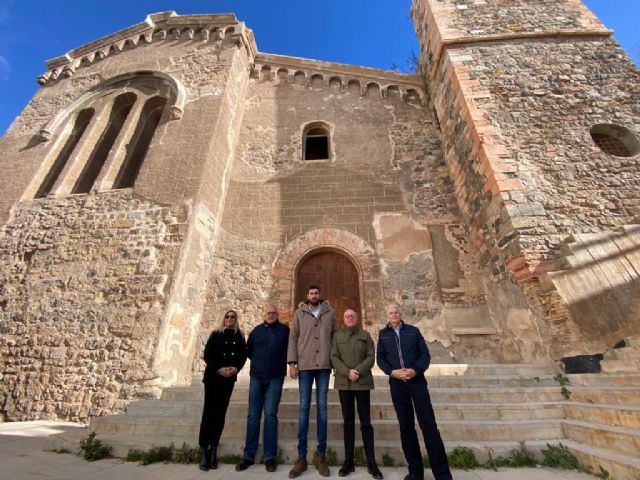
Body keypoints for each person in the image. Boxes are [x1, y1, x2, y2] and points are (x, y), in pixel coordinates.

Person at [376, 304, 453, 480]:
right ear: (387, 316)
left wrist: (415, 370)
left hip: (417, 383)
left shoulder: (413, 331)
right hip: (397, 385)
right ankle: (415, 472)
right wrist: (392, 372)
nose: (394, 315)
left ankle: (442, 474)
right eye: (390, 313)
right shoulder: (383, 334)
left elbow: (425, 355)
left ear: (400, 314)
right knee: (406, 427)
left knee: (429, 426)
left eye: (396, 312)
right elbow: (380, 358)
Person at [287, 285, 337, 478]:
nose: (314, 296)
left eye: (317, 293)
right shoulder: (299, 313)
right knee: (304, 408)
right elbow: (293, 336)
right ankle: (301, 457)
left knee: (323, 407)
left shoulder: (329, 312)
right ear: (307, 296)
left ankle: (321, 456)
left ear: (320, 295)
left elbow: (334, 336)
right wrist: (292, 363)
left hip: (324, 365)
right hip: (305, 366)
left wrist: (334, 361)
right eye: (311, 293)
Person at [330, 309, 384, 480]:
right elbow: (334, 356)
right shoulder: (337, 336)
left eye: (352, 316)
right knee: (348, 423)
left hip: (362, 384)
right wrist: (347, 372)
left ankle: (371, 462)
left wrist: (358, 371)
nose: (350, 318)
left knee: (366, 423)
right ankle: (348, 461)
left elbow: (370, 356)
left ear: (357, 318)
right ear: (344, 319)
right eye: (347, 316)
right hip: (344, 384)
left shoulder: (365, 335)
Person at [236, 305, 290, 473]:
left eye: (273, 313)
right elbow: (250, 351)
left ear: (278, 314)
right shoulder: (256, 331)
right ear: (264, 314)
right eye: (268, 313)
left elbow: (290, 350)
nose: (271, 315)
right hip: (257, 377)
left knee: (271, 415)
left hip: (275, 377)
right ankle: (248, 455)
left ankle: (270, 457)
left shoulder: (284, 331)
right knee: (253, 416)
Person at [198, 309, 247, 471]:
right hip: (213, 377)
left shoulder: (239, 336)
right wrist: (219, 369)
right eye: (227, 316)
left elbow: (242, 356)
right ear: (223, 318)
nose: (230, 319)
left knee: (220, 414)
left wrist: (235, 369)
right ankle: (204, 450)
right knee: (209, 413)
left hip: (228, 380)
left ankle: (214, 449)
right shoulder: (215, 334)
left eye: (233, 317)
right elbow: (207, 355)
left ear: (236, 319)